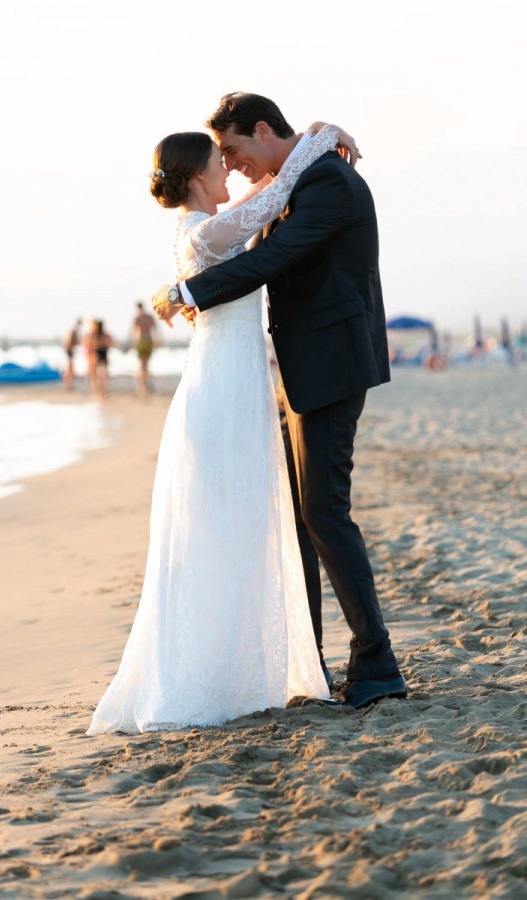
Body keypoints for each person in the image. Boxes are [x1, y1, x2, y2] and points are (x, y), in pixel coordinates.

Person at [87, 119, 353, 736]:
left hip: (238, 389)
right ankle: (214, 676)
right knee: (226, 528)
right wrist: (322, 134)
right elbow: (278, 194)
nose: (228, 169)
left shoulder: (206, 233)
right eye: (219, 161)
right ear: (197, 177)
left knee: (242, 527)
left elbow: (268, 207)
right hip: (220, 397)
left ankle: (246, 670)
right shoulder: (206, 233)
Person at [152, 93, 407, 710]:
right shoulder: (294, 175)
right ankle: (307, 664)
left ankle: (376, 665)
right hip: (296, 368)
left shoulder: (328, 181)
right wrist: (321, 131)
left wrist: (189, 289)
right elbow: (263, 225)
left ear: (263, 130)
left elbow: (276, 255)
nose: (231, 164)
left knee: (324, 512)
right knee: (302, 519)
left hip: (332, 364)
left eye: (234, 150)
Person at [83, 319, 115, 399]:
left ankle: (98, 392)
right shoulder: (104, 335)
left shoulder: (93, 335)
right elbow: (112, 343)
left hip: (96, 355)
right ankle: (103, 391)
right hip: (103, 355)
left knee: (96, 375)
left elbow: (86, 343)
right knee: (102, 375)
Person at [132, 302, 157, 395]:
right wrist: (158, 341)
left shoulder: (137, 318)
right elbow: (155, 329)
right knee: (146, 364)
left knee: (142, 365)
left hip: (141, 341)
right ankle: (145, 384)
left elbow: (134, 332)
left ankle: (142, 386)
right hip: (149, 340)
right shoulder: (149, 317)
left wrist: (131, 343)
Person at [62, 318, 82, 390]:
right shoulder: (73, 331)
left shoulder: (73, 331)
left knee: (70, 368)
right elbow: (69, 342)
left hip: (69, 350)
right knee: (70, 368)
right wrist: (71, 349)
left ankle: (68, 384)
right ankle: (68, 384)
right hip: (70, 351)